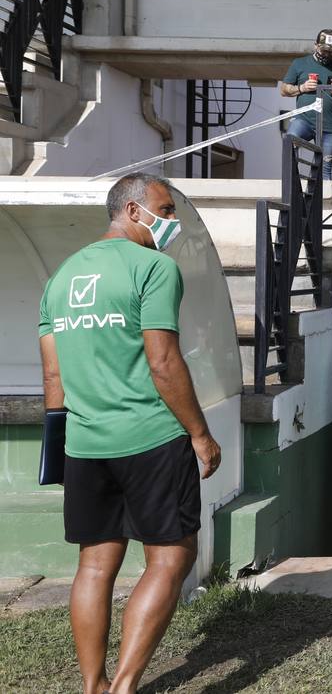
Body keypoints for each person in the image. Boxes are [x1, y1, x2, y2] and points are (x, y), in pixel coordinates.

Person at [38, 173, 222, 694]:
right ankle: (123, 687)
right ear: (133, 210)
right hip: (152, 437)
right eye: (165, 209)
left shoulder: (61, 277)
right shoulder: (155, 267)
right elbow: (163, 361)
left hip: (85, 443)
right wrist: (200, 433)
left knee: (95, 564)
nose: (172, 221)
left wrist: (62, 449)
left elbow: (54, 377)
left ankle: (93, 686)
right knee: (171, 555)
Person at [280, 29, 332, 180]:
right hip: (304, 120)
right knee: (290, 142)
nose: (326, 54)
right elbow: (284, 90)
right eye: (324, 50)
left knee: (325, 168)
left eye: (330, 52)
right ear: (315, 46)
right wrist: (302, 88)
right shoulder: (300, 63)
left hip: (329, 126)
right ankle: (292, 186)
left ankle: (323, 202)